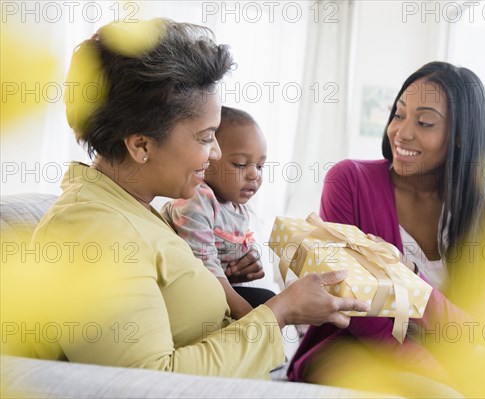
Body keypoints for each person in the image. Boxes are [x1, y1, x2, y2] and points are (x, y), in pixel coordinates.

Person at [24, 18, 369, 379]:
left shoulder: (130, 205)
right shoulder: (92, 233)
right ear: (140, 145)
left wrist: (218, 275)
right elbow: (144, 382)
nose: (217, 153)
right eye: (206, 138)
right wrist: (282, 311)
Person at [287, 62, 485, 387]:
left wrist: (411, 281)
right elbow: (357, 308)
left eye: (424, 122)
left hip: (444, 366)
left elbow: (468, 334)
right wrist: (437, 375)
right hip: (349, 353)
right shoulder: (349, 181)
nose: (402, 132)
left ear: (461, 136)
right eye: (398, 114)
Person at [161, 106, 273, 320]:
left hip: (213, 287)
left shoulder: (237, 207)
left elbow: (234, 247)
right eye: (240, 164)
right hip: (183, 293)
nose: (253, 175)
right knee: (261, 310)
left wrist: (247, 260)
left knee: (268, 299)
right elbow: (203, 262)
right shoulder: (197, 199)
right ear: (208, 156)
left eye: (260, 166)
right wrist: (241, 310)